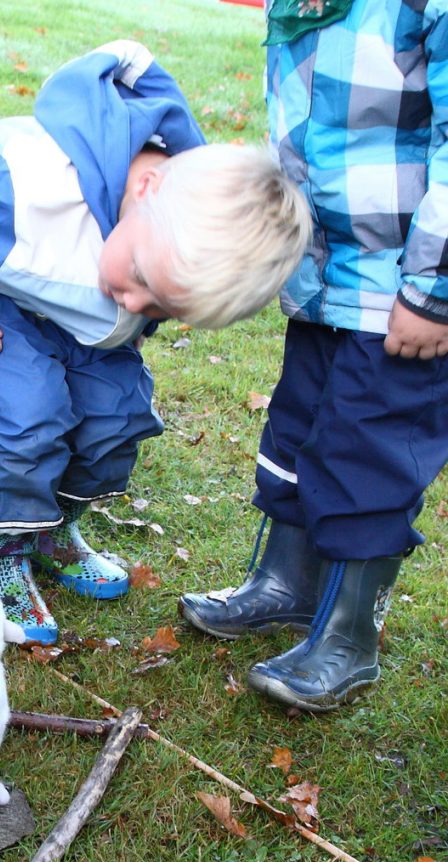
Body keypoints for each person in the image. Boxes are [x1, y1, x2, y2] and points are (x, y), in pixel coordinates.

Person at [0, 40, 311, 644]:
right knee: (24, 415)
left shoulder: (165, 237)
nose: (137, 306)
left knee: (116, 415)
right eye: (145, 283)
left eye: (164, 310)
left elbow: (135, 292)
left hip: (76, 312)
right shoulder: (28, 188)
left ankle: (49, 529)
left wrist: (138, 299)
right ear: (147, 188)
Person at [179, 0, 448, 711]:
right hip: (325, 277)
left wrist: (434, 287)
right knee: (296, 433)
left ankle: (349, 638)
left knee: (370, 451)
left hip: (403, 291)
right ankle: (287, 586)